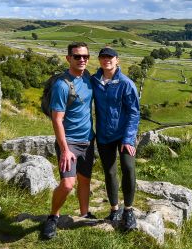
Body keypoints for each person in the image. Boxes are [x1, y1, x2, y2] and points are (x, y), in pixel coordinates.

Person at [41, 42, 95, 240]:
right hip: (69, 142)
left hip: (88, 140)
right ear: (68, 58)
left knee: (85, 180)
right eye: (77, 56)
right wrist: (64, 149)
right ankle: (53, 216)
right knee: (67, 184)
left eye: (85, 56)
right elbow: (57, 119)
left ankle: (84, 213)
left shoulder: (88, 77)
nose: (82, 60)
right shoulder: (62, 85)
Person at [91, 47, 140, 231]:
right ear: (99, 61)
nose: (106, 60)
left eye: (110, 57)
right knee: (109, 172)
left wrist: (128, 139)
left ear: (117, 60)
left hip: (123, 134)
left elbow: (134, 113)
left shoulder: (126, 83)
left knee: (128, 167)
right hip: (104, 134)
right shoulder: (94, 81)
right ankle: (114, 209)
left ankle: (128, 210)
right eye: (103, 57)